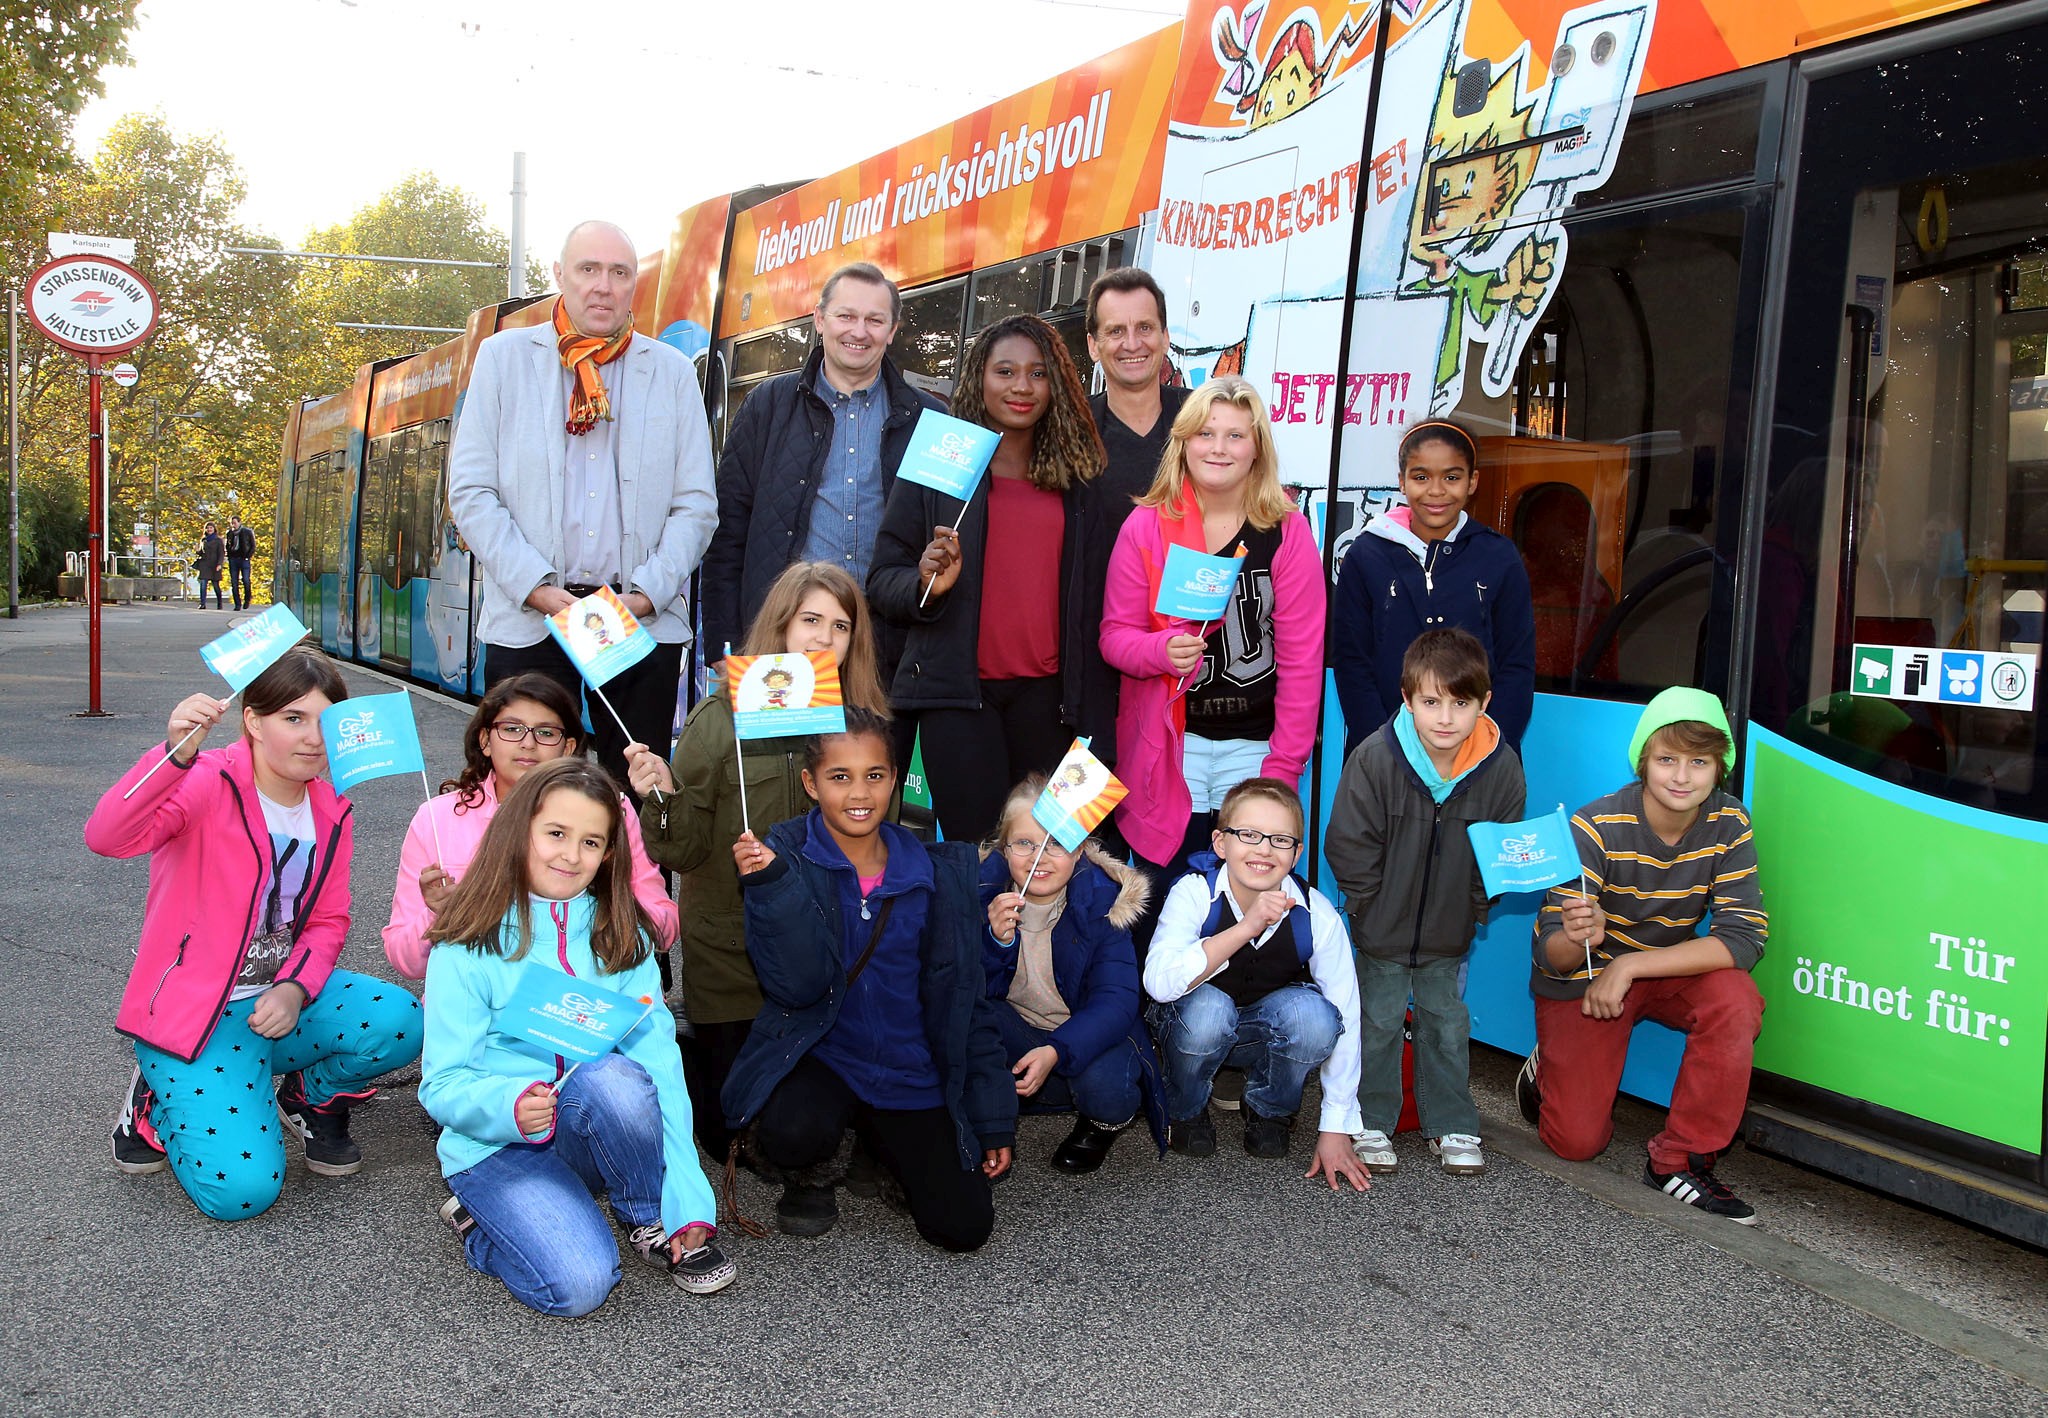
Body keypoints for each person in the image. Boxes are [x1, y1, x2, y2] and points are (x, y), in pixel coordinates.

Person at [88, 647, 422, 1217]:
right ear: (252, 720)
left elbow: (327, 919)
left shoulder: (331, 806)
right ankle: (154, 1100)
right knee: (241, 1192)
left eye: (326, 721)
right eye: (294, 718)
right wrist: (173, 756)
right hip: (197, 1015)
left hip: (276, 1005)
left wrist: (294, 989)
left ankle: (306, 1096)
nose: (313, 738)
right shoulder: (205, 781)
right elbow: (107, 836)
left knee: (402, 1023)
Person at [421, 759, 735, 1313]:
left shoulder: (624, 931)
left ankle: (647, 1216)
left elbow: (661, 1065)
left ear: (609, 853)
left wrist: (688, 1197)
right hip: (497, 1144)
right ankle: (478, 1225)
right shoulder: (466, 944)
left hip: (585, 1126)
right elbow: (441, 1084)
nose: (571, 856)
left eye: (591, 841)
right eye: (557, 834)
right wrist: (509, 1106)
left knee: (615, 1076)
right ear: (520, 831)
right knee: (579, 1289)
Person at [623, 561, 891, 1156]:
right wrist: (662, 796)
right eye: (811, 620)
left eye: (841, 626)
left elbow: (885, 846)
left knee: (801, 1127)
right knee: (728, 1134)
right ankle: (684, 1058)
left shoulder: (863, 726)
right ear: (782, 624)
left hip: (827, 953)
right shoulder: (720, 719)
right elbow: (684, 850)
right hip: (733, 955)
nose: (824, 638)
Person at [724, 708, 1016, 1249]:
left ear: (895, 779)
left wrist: (992, 1117)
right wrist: (771, 890)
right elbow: (797, 987)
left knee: (963, 1228)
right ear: (811, 784)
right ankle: (816, 1163)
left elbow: (966, 1004)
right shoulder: (782, 855)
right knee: (793, 1133)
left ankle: (878, 1144)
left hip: (910, 1070)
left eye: (875, 775)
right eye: (840, 777)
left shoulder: (939, 874)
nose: (859, 793)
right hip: (826, 1057)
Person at [447, 219, 716, 789]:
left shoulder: (670, 373)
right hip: (530, 623)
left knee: (639, 797)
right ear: (559, 276)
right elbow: (472, 493)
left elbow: (696, 504)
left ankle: (634, 884)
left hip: (639, 624)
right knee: (526, 798)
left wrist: (645, 596)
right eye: (588, 269)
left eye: (619, 273)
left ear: (633, 285)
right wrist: (539, 591)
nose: (603, 286)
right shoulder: (503, 359)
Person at [1517, 686, 1768, 1223]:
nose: (1682, 776)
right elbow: (1552, 957)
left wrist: (1630, 965)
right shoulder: (1594, 825)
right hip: (1588, 979)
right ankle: (1547, 1073)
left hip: (1658, 968)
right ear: (1643, 762)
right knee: (1577, 1143)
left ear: (1719, 766)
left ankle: (1680, 1160)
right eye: (1667, 759)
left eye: (1699, 761)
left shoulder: (1731, 823)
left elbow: (1745, 938)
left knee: (1736, 998)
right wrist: (1580, 935)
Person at [1099, 374, 1326, 947]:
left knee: (1243, 914)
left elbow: (1302, 664)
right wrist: (1159, 650)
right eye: (1205, 433)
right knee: (1163, 901)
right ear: (1183, 443)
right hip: (1171, 746)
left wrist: (1283, 770)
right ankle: (1157, 1021)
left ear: (1257, 449)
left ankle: (1226, 1025)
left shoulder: (1286, 532)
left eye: (1235, 435)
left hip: (1254, 747)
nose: (1219, 448)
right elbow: (1113, 638)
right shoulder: (1145, 527)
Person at [867, 313, 1111, 844]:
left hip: (1052, 705)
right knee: (972, 860)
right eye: (1005, 371)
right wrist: (927, 582)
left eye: (1038, 373)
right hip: (958, 701)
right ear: (979, 377)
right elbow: (882, 579)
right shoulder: (939, 468)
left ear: (1057, 385)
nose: (1021, 386)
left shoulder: (1079, 479)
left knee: (1049, 854)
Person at [1324, 628, 1526, 1176]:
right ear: (1408, 697)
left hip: (1448, 933)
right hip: (1380, 932)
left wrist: (1475, 908)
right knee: (1379, 1022)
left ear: (1484, 704)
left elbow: (1501, 850)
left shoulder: (1501, 766)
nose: (1444, 718)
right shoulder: (1375, 758)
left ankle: (1452, 1124)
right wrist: (1366, 906)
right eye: (1431, 702)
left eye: (1460, 704)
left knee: (1446, 1023)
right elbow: (1347, 840)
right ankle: (1369, 1120)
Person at [701, 263, 944, 679]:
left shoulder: (930, 419)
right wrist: (725, 645)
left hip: (887, 648)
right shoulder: (767, 406)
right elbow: (727, 532)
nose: (859, 331)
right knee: (786, 748)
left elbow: (941, 536)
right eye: (846, 316)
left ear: (892, 329)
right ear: (819, 319)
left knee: (872, 748)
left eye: (874, 320)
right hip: (783, 645)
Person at [1143, 778, 1369, 1191]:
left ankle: (1269, 1108)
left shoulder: (1315, 912)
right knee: (1210, 1012)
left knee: (1316, 1018)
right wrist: (1246, 927)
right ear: (1220, 843)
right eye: (1248, 834)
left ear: (1297, 854)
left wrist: (1336, 1125)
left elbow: (1347, 1017)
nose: (1264, 849)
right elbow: (1159, 984)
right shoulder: (1194, 893)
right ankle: (1185, 1106)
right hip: (1195, 1025)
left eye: (1280, 839)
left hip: (1260, 1030)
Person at [382, 673, 676, 982]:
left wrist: (611, 914)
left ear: (568, 747)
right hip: (476, 1007)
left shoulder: (610, 810)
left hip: (585, 999)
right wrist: (436, 913)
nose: (528, 743)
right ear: (485, 740)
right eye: (511, 729)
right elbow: (406, 962)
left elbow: (664, 925)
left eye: (546, 733)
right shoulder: (436, 819)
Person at [978, 775, 1166, 1174]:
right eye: (1025, 843)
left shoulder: (1103, 905)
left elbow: (1115, 1002)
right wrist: (995, 941)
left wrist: (1056, 1050)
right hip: (1018, 1029)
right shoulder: (982, 896)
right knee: (965, 1018)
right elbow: (976, 992)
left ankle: (1099, 1123)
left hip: (1084, 1034)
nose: (1039, 857)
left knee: (1109, 1089)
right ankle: (1001, 1104)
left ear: (1080, 850)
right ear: (1005, 846)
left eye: (1057, 843)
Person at [1332, 419, 1535, 755]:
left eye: (1452, 477)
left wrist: (1491, 749)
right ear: (1401, 481)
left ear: (1473, 482)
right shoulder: (1366, 555)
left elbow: (1517, 664)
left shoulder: (1499, 556)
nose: (1436, 490)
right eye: (1421, 477)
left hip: (1478, 756)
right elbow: (1353, 662)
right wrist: (1380, 749)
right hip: (1385, 754)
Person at [1085, 267, 1189, 513]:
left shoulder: (1203, 419)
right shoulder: (1070, 430)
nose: (1132, 344)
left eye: (1144, 328)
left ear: (1165, 338)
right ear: (1093, 346)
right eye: (1116, 331)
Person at [226, 514, 257, 610]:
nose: (233, 525)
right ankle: (237, 604)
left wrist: (248, 556)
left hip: (244, 559)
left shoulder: (247, 532)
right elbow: (228, 545)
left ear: (239, 523)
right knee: (234, 583)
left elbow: (253, 545)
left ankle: (247, 599)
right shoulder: (230, 533)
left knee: (246, 580)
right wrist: (229, 555)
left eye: (234, 523)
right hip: (233, 559)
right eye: (231, 523)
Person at [194, 521, 226, 610]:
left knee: (216, 585)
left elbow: (221, 553)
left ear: (214, 529)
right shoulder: (204, 540)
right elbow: (202, 552)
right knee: (203, 584)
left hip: (214, 564)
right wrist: (197, 550)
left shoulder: (218, 540)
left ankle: (219, 603)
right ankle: (202, 603)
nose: (209, 529)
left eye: (211, 528)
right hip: (205, 564)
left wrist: (219, 564)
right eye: (208, 528)